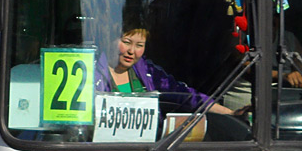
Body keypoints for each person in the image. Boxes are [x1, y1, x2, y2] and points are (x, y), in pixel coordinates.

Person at [94, 27, 232, 114]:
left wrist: (229, 113)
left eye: (139, 45)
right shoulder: (91, 73)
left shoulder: (148, 72)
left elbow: (184, 95)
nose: (131, 51)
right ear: (111, 40)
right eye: (127, 42)